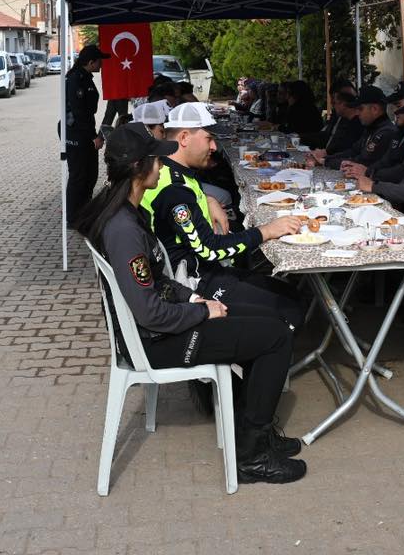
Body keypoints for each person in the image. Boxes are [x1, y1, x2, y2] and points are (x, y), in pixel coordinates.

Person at [80, 123, 306, 484]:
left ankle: (251, 433)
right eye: (157, 159)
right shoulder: (124, 229)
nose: (163, 164)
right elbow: (148, 310)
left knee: (266, 321)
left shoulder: (127, 209)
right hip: (155, 341)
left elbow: (157, 279)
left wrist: (191, 296)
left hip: (161, 325)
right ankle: (251, 456)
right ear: (141, 168)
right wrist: (201, 310)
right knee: (275, 336)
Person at [142, 102, 306, 328]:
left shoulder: (172, 170)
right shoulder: (174, 188)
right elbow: (209, 250)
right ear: (184, 138)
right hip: (191, 284)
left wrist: (208, 201)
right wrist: (266, 231)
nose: (214, 146)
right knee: (289, 310)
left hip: (202, 271)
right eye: (209, 138)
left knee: (290, 293)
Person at [65, 44, 109, 227]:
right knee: (79, 176)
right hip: (77, 134)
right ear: (91, 62)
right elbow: (78, 112)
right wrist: (93, 138)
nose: (101, 65)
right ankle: (74, 217)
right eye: (99, 61)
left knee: (90, 175)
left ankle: (85, 211)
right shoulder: (75, 79)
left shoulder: (85, 77)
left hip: (85, 132)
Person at [310, 86, 400, 170]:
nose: (357, 113)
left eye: (360, 109)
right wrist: (325, 158)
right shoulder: (371, 128)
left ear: (375, 109)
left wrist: (325, 161)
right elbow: (353, 151)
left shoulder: (386, 132)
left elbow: (362, 161)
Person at [300, 82, 358, 151]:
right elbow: (325, 135)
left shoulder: (355, 122)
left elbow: (347, 149)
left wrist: (326, 156)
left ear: (343, 102)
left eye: (334, 100)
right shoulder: (337, 116)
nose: (332, 103)